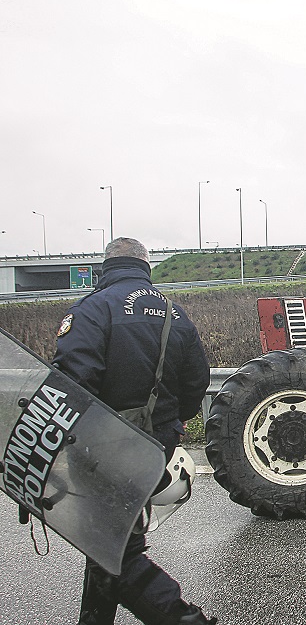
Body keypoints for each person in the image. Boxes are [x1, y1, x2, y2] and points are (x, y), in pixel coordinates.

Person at [52, 238, 214, 625]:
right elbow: (197, 381)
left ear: (106, 266)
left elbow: (73, 381)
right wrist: (171, 427)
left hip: (101, 449)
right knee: (109, 542)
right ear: (146, 265)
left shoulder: (92, 310)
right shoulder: (175, 314)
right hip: (154, 445)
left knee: (117, 551)